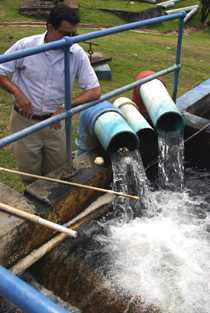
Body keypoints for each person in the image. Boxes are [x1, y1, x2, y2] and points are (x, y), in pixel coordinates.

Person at [0, 4, 101, 183]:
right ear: (49, 27)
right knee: (29, 176)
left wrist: (65, 108)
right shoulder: (26, 45)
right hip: (25, 123)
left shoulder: (77, 53)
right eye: (64, 34)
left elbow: (94, 91)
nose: (69, 40)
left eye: (73, 35)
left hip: (55, 124)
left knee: (58, 175)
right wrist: (18, 93)